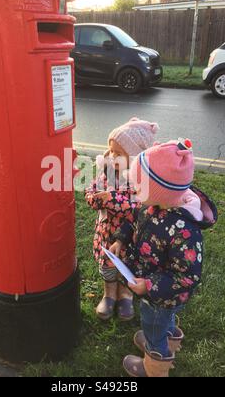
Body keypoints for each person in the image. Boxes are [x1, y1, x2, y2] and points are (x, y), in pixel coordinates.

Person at [110, 139, 218, 376]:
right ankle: (168, 338)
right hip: (151, 285)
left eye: (139, 186)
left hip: (161, 294)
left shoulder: (185, 230)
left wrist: (148, 285)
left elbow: (187, 276)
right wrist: (120, 239)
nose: (134, 190)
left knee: (153, 324)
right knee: (163, 320)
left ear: (159, 189)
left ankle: (154, 362)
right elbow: (134, 221)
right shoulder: (153, 205)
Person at [85, 118, 159, 321]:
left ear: (134, 158)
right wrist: (95, 198)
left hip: (129, 234)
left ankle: (125, 294)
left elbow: (136, 207)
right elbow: (91, 191)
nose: (111, 156)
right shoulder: (105, 174)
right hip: (106, 231)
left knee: (126, 265)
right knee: (107, 265)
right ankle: (109, 293)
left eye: (118, 153)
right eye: (110, 150)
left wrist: (111, 199)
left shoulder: (140, 180)